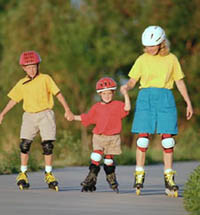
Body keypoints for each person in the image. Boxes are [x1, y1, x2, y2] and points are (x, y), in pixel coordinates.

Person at [120, 26, 193, 197]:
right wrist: (127, 87)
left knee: (167, 141)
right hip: (146, 97)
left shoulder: (172, 59)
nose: (149, 49)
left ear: (161, 43)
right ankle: (139, 175)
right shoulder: (142, 59)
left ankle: (169, 179)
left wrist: (188, 102)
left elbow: (180, 82)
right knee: (143, 139)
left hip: (165, 97)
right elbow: (132, 80)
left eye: (152, 46)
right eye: (146, 46)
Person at [0, 50, 74, 191]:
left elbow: (58, 94)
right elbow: (13, 100)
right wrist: (2, 113)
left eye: (33, 66)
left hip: (45, 114)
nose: (31, 70)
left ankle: (49, 174)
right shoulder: (22, 83)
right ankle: (23, 174)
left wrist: (67, 110)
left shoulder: (46, 78)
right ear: (23, 68)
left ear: (38, 65)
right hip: (29, 115)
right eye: (28, 67)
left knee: (47, 146)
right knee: (24, 144)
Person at [73, 77, 130, 193]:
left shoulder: (118, 105)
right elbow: (87, 118)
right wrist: (73, 117)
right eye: (104, 93)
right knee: (96, 156)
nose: (107, 96)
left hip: (113, 137)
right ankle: (91, 178)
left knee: (109, 160)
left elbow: (127, 108)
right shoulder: (96, 107)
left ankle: (111, 177)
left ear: (113, 93)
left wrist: (125, 93)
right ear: (100, 94)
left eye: (109, 93)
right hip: (99, 136)